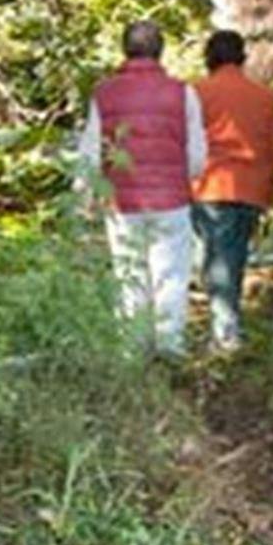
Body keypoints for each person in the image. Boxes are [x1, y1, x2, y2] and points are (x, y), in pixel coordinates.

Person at [79, 20, 207, 357]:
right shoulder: (183, 92)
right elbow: (196, 155)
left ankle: (132, 350)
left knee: (129, 273)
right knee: (171, 275)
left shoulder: (104, 93)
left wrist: (85, 196)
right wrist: (183, 178)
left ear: (125, 50)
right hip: (171, 199)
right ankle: (170, 347)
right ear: (160, 51)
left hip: (122, 201)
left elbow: (91, 150)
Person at [191, 29, 273, 352]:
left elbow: (185, 142)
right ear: (242, 58)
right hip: (251, 186)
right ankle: (226, 327)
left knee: (217, 257)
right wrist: (272, 190)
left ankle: (225, 332)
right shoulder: (265, 97)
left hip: (208, 184)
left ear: (209, 58)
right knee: (233, 257)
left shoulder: (197, 92)